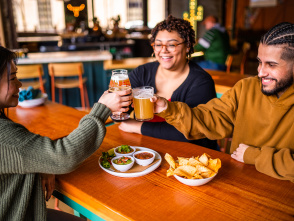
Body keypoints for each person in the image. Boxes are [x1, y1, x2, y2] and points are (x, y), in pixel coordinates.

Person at [0, 46, 132, 220]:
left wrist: (42, 164)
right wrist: (103, 108)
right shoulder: (5, 136)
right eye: (12, 78)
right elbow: (64, 156)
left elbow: (28, 153)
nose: (19, 84)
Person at [151, 22, 294, 182]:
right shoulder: (247, 87)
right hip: (236, 181)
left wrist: (254, 156)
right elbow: (211, 118)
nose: (260, 72)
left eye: (271, 65)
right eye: (260, 62)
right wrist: (168, 108)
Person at [118, 15, 218, 150]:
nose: (163, 50)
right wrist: (116, 105)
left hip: (192, 156)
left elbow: (190, 132)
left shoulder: (201, 82)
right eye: (158, 44)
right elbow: (119, 114)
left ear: (188, 46)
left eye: (171, 44)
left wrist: (138, 127)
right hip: (148, 149)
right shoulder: (142, 72)